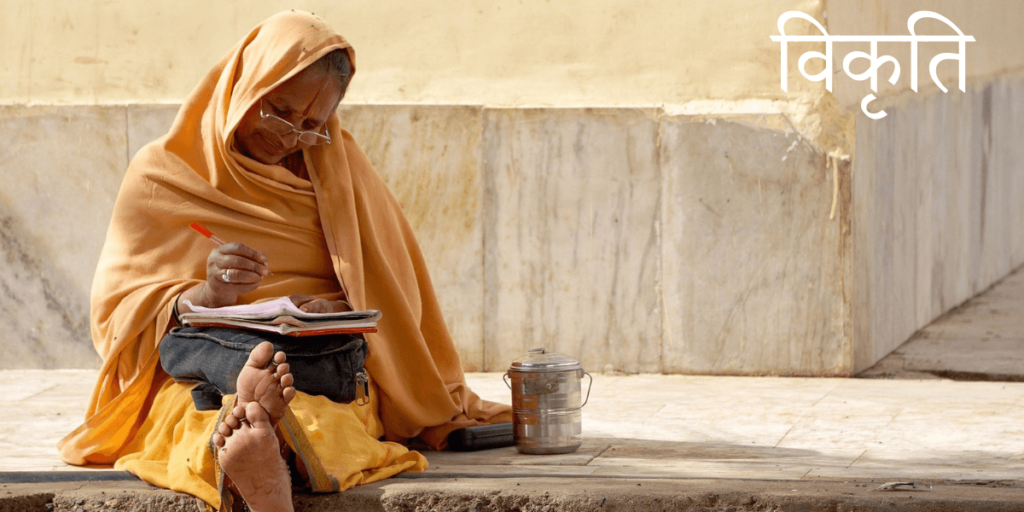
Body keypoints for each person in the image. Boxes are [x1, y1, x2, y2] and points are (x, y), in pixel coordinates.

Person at [58, 11, 510, 512]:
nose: (289, 136)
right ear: (245, 86)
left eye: (311, 126)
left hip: (314, 365)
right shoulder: (163, 175)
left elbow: (395, 296)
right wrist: (207, 295)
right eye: (278, 111)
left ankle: (260, 447)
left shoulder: (340, 172)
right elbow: (116, 315)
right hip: (203, 364)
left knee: (318, 413)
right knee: (192, 411)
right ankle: (262, 448)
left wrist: (335, 306)